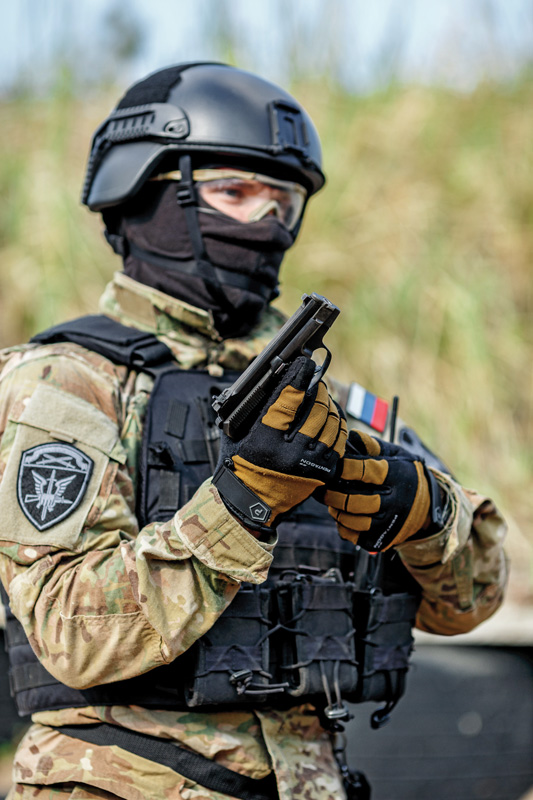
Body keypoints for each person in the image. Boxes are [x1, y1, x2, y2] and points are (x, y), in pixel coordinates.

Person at [0, 63, 507, 800]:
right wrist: (241, 504)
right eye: (235, 193)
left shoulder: (328, 399)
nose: (266, 223)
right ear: (145, 195)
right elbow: (73, 634)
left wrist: (423, 514)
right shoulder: (68, 383)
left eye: (283, 202)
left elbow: (472, 601)